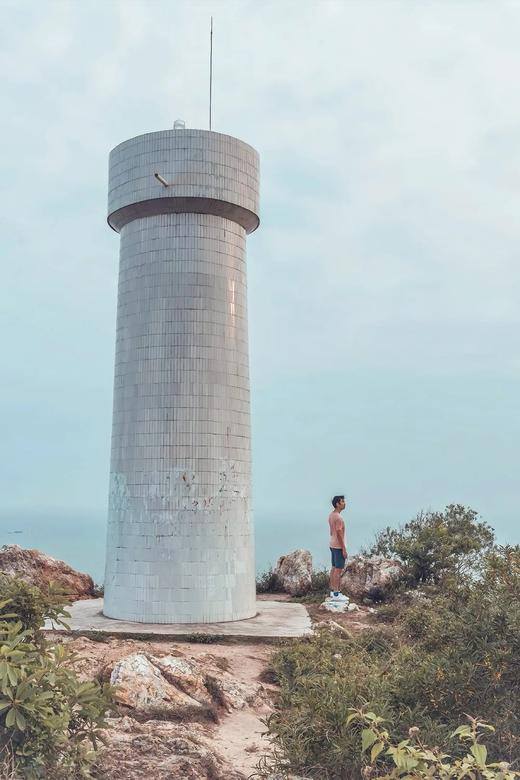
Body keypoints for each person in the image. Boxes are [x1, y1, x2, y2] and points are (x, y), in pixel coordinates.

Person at [328, 495, 348, 602]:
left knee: (334, 568)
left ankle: (333, 591)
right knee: (338, 570)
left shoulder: (332, 515)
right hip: (338, 546)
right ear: (337, 504)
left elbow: (332, 531)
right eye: (342, 501)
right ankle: (336, 593)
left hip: (332, 544)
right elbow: (339, 533)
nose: (345, 503)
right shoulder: (339, 518)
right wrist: (343, 548)